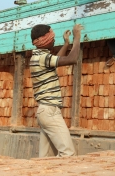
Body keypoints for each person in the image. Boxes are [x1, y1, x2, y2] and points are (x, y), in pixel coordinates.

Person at [30, 23, 83, 157]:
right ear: (45, 39)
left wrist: (66, 44)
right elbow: (72, 59)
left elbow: (56, 62)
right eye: (52, 37)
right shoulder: (42, 58)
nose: (54, 40)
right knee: (68, 153)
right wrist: (77, 37)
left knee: (46, 159)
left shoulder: (38, 57)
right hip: (50, 112)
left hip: (45, 111)